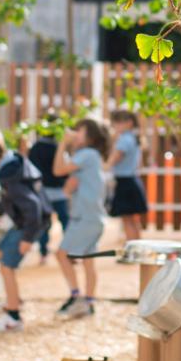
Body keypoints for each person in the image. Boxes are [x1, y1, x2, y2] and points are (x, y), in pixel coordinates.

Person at [0, 123, 51, 333]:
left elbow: (32, 205)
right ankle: (13, 299)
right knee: (1, 253)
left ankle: (13, 315)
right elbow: (15, 196)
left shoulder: (10, 172)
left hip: (30, 224)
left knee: (6, 265)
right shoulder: (11, 163)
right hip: (28, 221)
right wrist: (0, 209)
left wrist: (28, 238)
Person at [52, 117, 110, 318]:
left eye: (80, 132)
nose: (75, 134)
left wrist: (62, 143)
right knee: (87, 261)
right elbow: (70, 183)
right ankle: (88, 302)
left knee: (62, 254)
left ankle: (76, 297)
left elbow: (58, 170)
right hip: (93, 218)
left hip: (85, 218)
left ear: (90, 137)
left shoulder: (87, 154)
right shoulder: (91, 157)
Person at [25, 118, 68, 263]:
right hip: (58, 190)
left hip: (42, 191)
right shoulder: (58, 147)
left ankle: (43, 253)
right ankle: (70, 251)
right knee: (65, 221)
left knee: (44, 223)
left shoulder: (35, 147)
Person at [106, 110, 147, 242]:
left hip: (125, 182)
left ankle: (132, 247)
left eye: (118, 123)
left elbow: (112, 161)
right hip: (132, 180)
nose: (115, 126)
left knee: (127, 219)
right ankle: (137, 246)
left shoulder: (124, 139)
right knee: (133, 219)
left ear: (129, 123)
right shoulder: (133, 138)